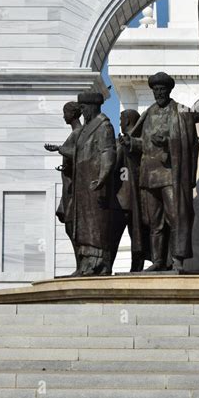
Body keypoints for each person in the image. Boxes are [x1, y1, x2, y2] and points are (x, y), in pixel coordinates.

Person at [123, 73, 198, 272]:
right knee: (154, 222)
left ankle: (177, 260)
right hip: (149, 176)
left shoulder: (181, 112)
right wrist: (131, 143)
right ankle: (157, 261)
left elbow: (191, 144)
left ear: (169, 90)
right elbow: (143, 144)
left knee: (176, 217)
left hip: (170, 176)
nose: (159, 93)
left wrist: (168, 142)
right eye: (156, 90)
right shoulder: (148, 113)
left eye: (162, 90)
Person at [67, 91, 117, 276]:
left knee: (96, 224)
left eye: (84, 108)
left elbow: (108, 152)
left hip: (96, 185)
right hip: (83, 185)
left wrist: (103, 177)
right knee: (84, 224)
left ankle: (98, 263)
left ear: (92, 107)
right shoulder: (86, 128)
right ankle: (85, 262)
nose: (82, 112)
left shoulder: (104, 126)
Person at [44, 101, 82, 270]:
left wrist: (59, 149)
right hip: (68, 186)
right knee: (69, 227)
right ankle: (79, 265)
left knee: (73, 227)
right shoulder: (75, 133)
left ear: (72, 114)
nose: (63, 116)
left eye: (65, 112)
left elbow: (80, 154)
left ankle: (81, 265)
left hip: (74, 188)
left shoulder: (78, 133)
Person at [113, 109, 150, 272]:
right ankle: (136, 266)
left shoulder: (131, 143)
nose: (119, 123)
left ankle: (134, 266)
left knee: (132, 234)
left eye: (121, 119)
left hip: (125, 197)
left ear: (127, 120)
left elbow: (113, 166)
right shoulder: (134, 142)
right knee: (137, 234)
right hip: (134, 196)